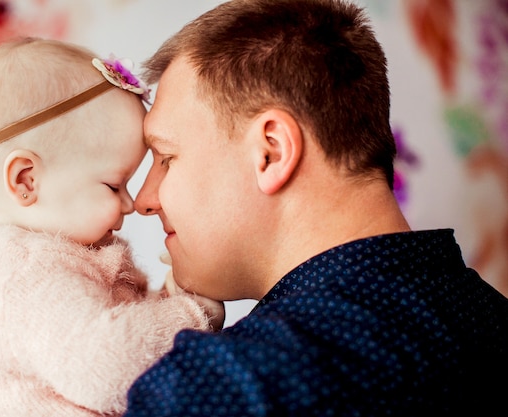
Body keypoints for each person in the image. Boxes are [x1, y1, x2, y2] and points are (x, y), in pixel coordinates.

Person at [124, 0, 508, 416]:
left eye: (166, 157)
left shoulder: (224, 384)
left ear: (271, 152)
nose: (144, 200)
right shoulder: (492, 319)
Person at [0, 37, 224, 417]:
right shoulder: (24, 274)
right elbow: (106, 366)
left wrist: (161, 301)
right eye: (114, 185)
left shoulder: (43, 260)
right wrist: (190, 315)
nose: (130, 204)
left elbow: (106, 335)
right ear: (27, 180)